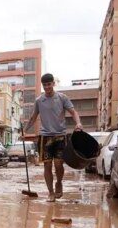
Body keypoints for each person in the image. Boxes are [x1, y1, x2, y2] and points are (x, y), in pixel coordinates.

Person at [24, 73, 83, 202]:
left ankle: (59, 182)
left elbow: (73, 112)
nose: (47, 87)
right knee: (47, 165)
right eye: (44, 85)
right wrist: (24, 130)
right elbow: (33, 117)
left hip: (60, 136)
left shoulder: (62, 98)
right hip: (45, 136)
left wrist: (78, 123)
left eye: (49, 84)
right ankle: (50, 193)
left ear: (53, 84)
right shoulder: (39, 100)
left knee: (58, 164)